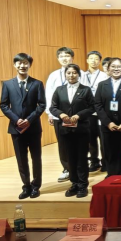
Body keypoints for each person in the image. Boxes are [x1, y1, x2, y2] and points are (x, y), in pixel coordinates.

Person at [0, 53, 46, 199]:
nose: (22, 65)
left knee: (36, 158)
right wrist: (16, 120)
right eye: (19, 63)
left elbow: (42, 105)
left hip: (33, 128)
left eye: (25, 63)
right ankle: (26, 186)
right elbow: (3, 105)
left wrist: (29, 120)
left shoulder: (37, 83)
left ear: (30, 65)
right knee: (21, 159)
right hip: (16, 128)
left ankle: (36, 186)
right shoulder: (7, 84)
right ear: (15, 65)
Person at [50, 64, 95, 198]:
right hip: (65, 130)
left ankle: (83, 185)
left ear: (78, 74)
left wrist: (79, 115)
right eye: (68, 73)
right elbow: (53, 107)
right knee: (70, 158)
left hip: (81, 130)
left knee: (81, 158)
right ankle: (74, 183)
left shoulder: (85, 90)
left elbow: (92, 107)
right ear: (65, 74)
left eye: (74, 72)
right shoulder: (59, 90)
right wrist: (61, 114)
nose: (71, 75)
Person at [95, 58, 121, 177]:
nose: (116, 69)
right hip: (108, 127)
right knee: (110, 154)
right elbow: (97, 105)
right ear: (108, 69)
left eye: (119, 66)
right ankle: (112, 177)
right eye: (113, 66)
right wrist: (108, 123)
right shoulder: (102, 85)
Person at [45, 47, 74, 183]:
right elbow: (48, 94)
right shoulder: (53, 75)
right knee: (62, 143)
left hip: (76, 115)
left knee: (78, 142)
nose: (64, 58)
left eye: (67, 55)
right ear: (58, 59)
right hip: (58, 115)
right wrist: (49, 113)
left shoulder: (79, 73)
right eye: (61, 56)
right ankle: (66, 168)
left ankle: (78, 167)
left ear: (72, 58)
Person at [82, 51, 109, 173]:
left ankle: (105, 161)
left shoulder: (104, 76)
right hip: (88, 112)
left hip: (101, 111)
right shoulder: (82, 75)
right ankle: (94, 161)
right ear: (87, 60)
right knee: (90, 138)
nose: (93, 61)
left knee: (103, 138)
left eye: (96, 59)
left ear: (100, 61)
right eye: (91, 58)